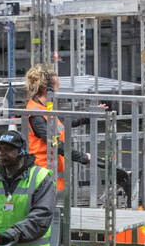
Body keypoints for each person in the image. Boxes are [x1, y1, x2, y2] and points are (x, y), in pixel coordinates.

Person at [23, 64, 94, 192]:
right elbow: (54, 143)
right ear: (47, 90)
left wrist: (89, 116)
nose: (58, 90)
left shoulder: (45, 107)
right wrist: (83, 157)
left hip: (52, 174)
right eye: (57, 87)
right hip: (43, 175)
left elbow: (60, 124)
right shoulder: (36, 114)